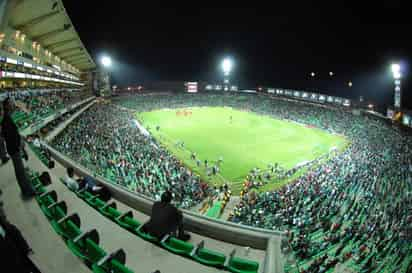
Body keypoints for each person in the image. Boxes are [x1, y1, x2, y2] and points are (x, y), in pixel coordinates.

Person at [1, 98, 35, 199]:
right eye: (11, 103)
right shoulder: (6, 119)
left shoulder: (7, 117)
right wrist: (19, 145)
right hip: (14, 149)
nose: (13, 105)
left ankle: (27, 188)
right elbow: (10, 136)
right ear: (7, 106)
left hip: (14, 148)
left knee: (20, 170)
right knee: (20, 171)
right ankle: (26, 191)